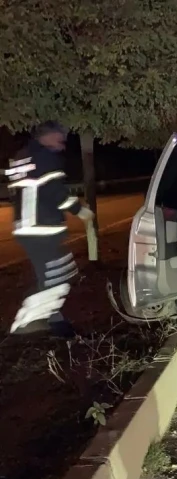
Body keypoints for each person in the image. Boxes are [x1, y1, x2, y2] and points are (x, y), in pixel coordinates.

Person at [5, 121, 95, 338]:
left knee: (49, 276)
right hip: (41, 227)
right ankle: (26, 322)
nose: (63, 146)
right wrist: (79, 210)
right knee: (59, 275)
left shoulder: (22, 156)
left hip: (26, 227)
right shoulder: (45, 158)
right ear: (45, 136)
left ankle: (56, 323)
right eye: (59, 139)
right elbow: (55, 191)